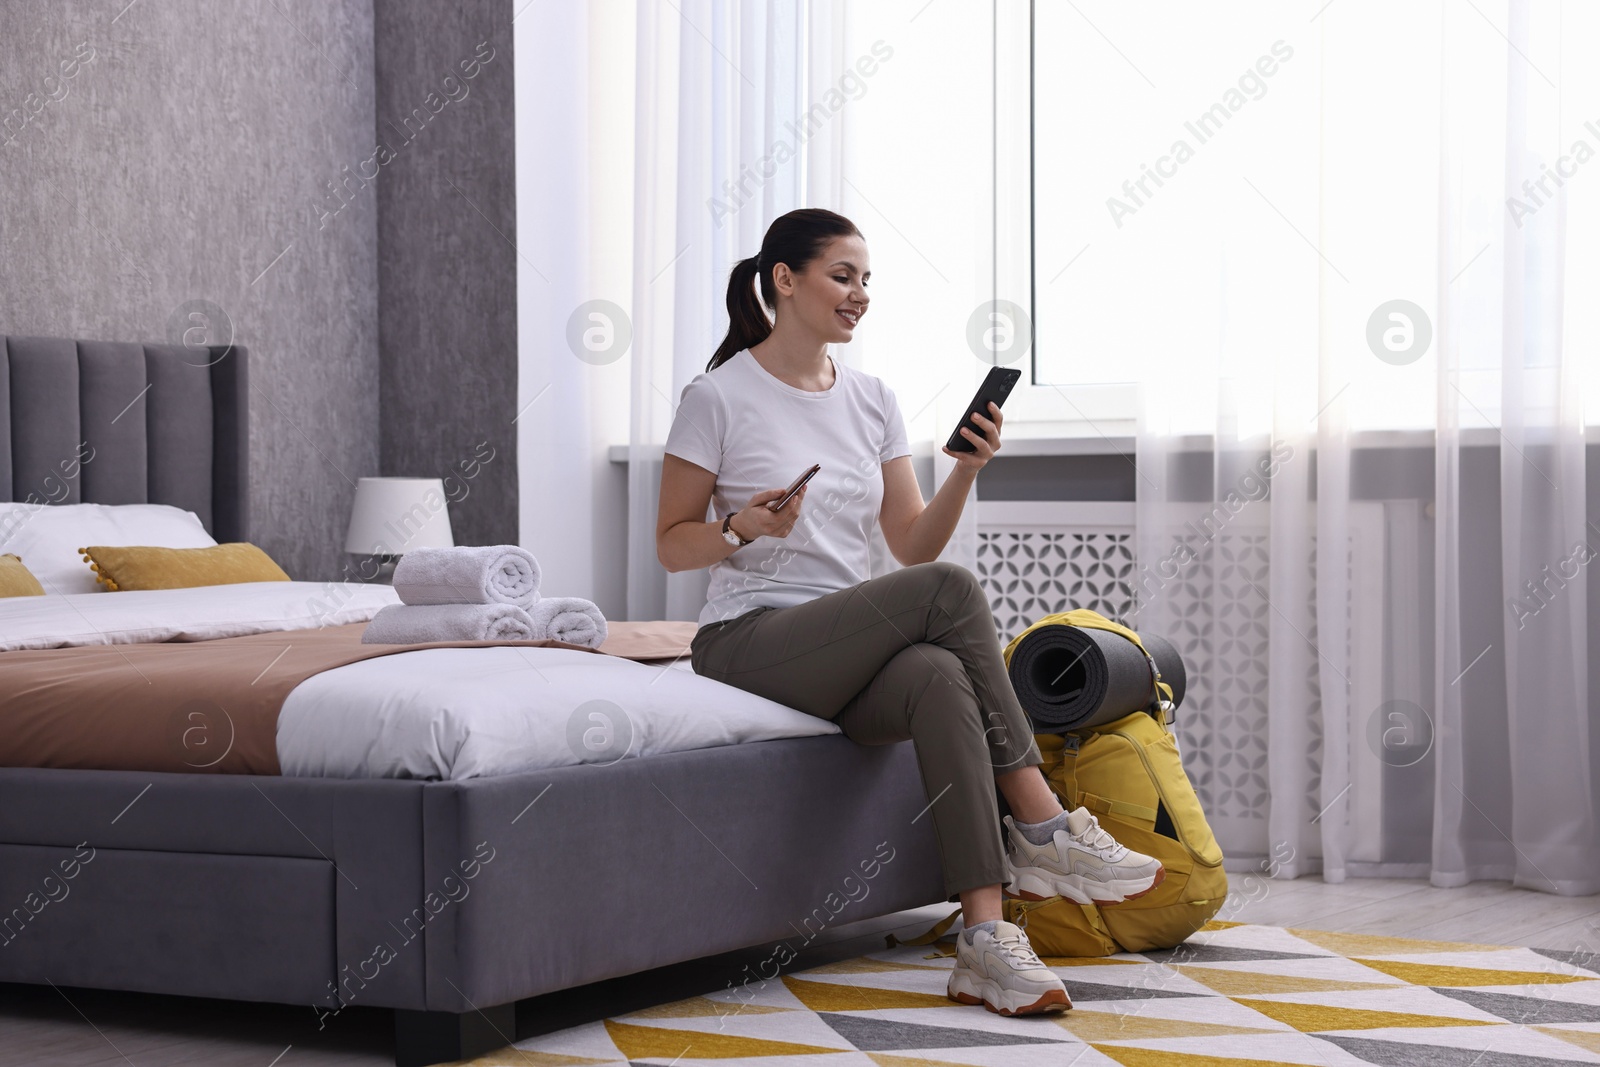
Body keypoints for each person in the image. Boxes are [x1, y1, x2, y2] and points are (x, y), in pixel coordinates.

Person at [655, 208, 1162, 1016]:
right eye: (842, 276)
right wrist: (740, 526)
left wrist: (964, 468)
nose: (859, 295)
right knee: (954, 593)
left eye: (866, 281)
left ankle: (985, 942)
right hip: (747, 635)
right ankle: (1043, 824)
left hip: (841, 638)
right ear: (785, 280)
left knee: (935, 675)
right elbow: (672, 545)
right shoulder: (716, 396)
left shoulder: (871, 398)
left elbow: (912, 544)